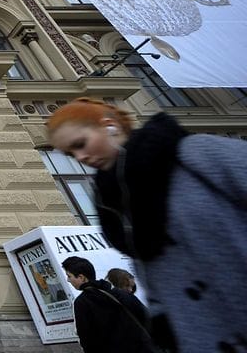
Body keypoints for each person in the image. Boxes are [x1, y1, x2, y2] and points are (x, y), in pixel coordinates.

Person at [47, 97, 247, 352]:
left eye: (80, 144)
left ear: (109, 125)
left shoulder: (192, 153)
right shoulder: (116, 200)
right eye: (70, 153)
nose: (80, 157)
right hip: (205, 335)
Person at [61, 256, 156, 353]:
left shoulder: (81, 303)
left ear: (81, 277)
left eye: (69, 276)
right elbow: (146, 317)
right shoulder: (119, 293)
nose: (68, 280)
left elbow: (87, 340)